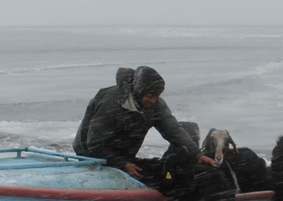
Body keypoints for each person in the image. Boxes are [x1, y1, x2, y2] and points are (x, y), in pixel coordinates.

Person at [74, 66, 215, 180]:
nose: (153, 100)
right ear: (139, 91)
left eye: (156, 96)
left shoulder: (155, 106)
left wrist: (197, 154)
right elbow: (94, 144)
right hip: (89, 153)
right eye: (149, 96)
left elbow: (174, 131)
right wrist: (122, 164)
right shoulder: (111, 104)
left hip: (123, 154)